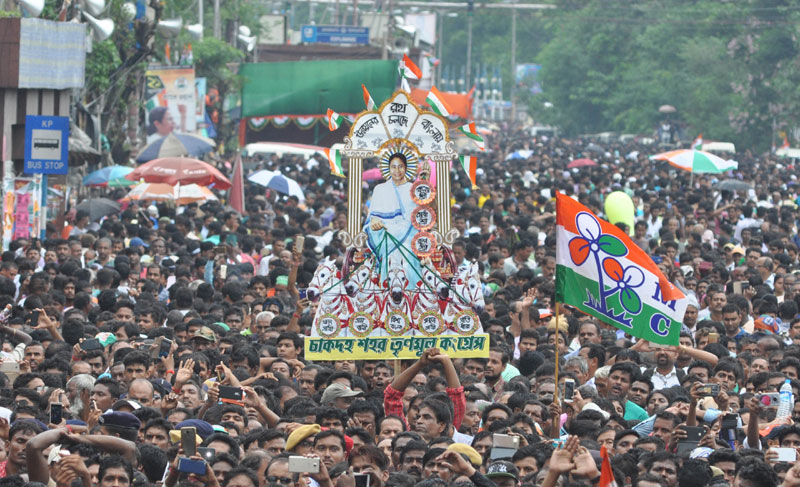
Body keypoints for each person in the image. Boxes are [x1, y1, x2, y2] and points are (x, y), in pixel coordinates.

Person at [364, 151, 420, 286]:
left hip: (409, 235)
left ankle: (412, 289)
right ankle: (385, 287)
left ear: (406, 168)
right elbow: (372, 217)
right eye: (393, 167)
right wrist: (374, 222)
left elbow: (421, 216)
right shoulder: (380, 189)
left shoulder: (414, 189)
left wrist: (426, 184)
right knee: (388, 255)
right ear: (388, 168)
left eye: (400, 166)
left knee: (408, 255)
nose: (397, 171)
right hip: (385, 233)